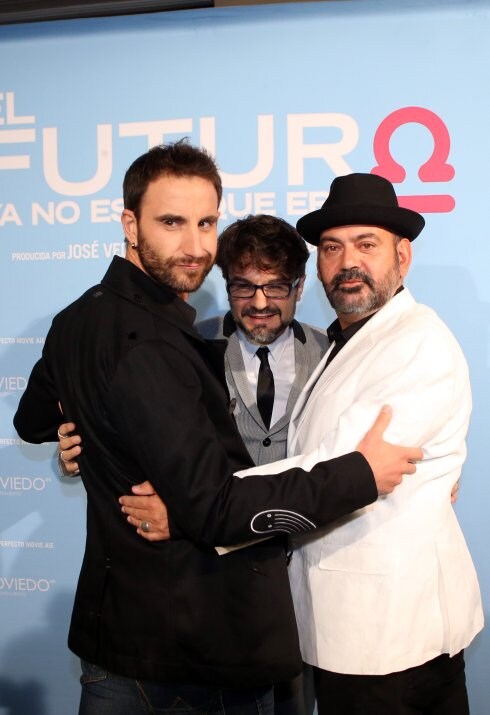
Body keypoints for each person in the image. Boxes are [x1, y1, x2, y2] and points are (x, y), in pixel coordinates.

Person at [13, 143, 420, 715]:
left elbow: (31, 418)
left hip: (130, 636)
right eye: (172, 222)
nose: (195, 245)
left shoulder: (78, 316)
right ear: (130, 223)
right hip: (195, 643)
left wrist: (86, 424)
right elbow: (213, 507)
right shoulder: (157, 345)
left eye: (206, 222)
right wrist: (362, 475)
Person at [58, 213, 328, 714]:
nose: (261, 303)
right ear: (224, 285)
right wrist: (78, 450)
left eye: (276, 287)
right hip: (215, 590)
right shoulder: (181, 345)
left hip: (307, 581)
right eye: (244, 287)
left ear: (299, 286)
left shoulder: (332, 354)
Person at [245, 173, 483, 714]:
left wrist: (201, 504)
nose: (347, 261)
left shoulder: (418, 342)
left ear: (404, 257)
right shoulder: (348, 339)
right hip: (346, 628)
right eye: (332, 248)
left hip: (392, 640)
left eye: (366, 244)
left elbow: (335, 472)